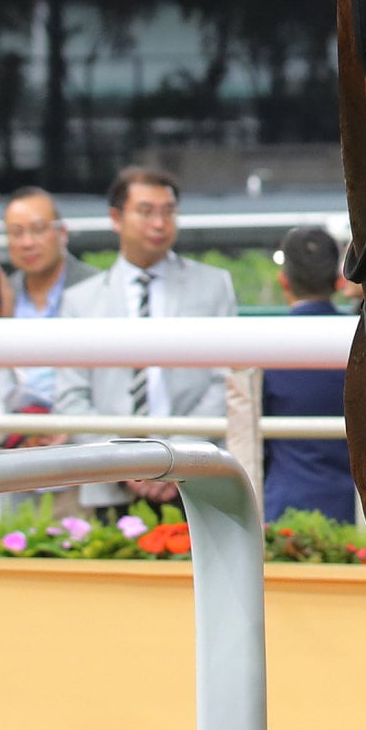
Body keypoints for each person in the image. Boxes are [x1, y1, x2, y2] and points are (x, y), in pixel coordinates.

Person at [56, 167, 236, 515]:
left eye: (168, 212)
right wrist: (123, 464)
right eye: (146, 211)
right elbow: (70, 396)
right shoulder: (81, 301)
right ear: (115, 218)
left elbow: (225, 381)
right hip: (110, 482)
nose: (159, 223)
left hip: (196, 477)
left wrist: (175, 459)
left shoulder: (213, 286)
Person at [262, 226, 356, 525]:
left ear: (283, 281)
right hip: (364, 512)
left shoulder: (261, 348)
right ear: (339, 281)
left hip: (287, 509)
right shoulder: (364, 341)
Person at [0, 186, 99, 412]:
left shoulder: (97, 289)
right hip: (13, 433)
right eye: (16, 232)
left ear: (62, 233)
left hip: (84, 428)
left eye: (38, 229)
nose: (27, 243)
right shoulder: (2, 296)